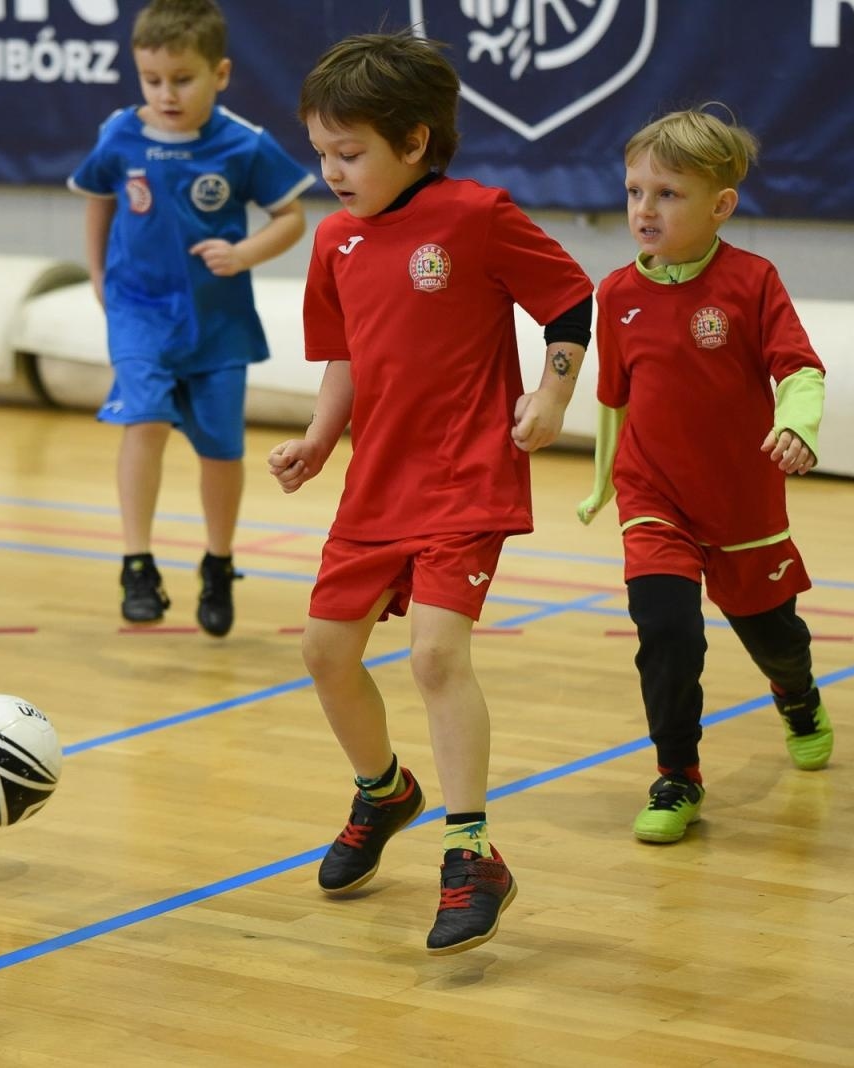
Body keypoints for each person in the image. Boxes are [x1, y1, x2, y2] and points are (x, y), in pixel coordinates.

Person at [269, 32, 594, 955]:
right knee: (325, 653)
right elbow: (345, 356)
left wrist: (552, 394)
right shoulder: (333, 239)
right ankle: (384, 792)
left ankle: (471, 853)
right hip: (375, 485)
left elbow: (570, 300)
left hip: (465, 478)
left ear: (414, 142)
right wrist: (319, 439)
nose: (331, 173)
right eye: (321, 153)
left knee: (436, 660)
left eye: (349, 153)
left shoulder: (476, 216)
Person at [575, 105, 833, 845]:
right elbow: (615, 400)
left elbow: (800, 368)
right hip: (653, 496)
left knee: (773, 634)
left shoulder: (753, 282)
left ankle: (796, 693)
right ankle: (677, 775)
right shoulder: (615, 294)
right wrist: (604, 484)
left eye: (668, 194)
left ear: (721, 205)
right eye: (634, 191)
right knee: (667, 629)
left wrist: (798, 424)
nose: (644, 209)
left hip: (741, 502)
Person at [68, 0, 312, 636]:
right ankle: (136, 563)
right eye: (152, 80)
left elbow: (291, 217)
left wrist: (245, 253)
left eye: (182, 79)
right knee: (143, 419)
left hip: (217, 322)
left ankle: (219, 562)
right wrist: (98, 275)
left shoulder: (243, 143)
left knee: (221, 450)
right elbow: (97, 199)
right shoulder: (120, 134)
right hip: (139, 311)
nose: (166, 94)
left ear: (220, 73)